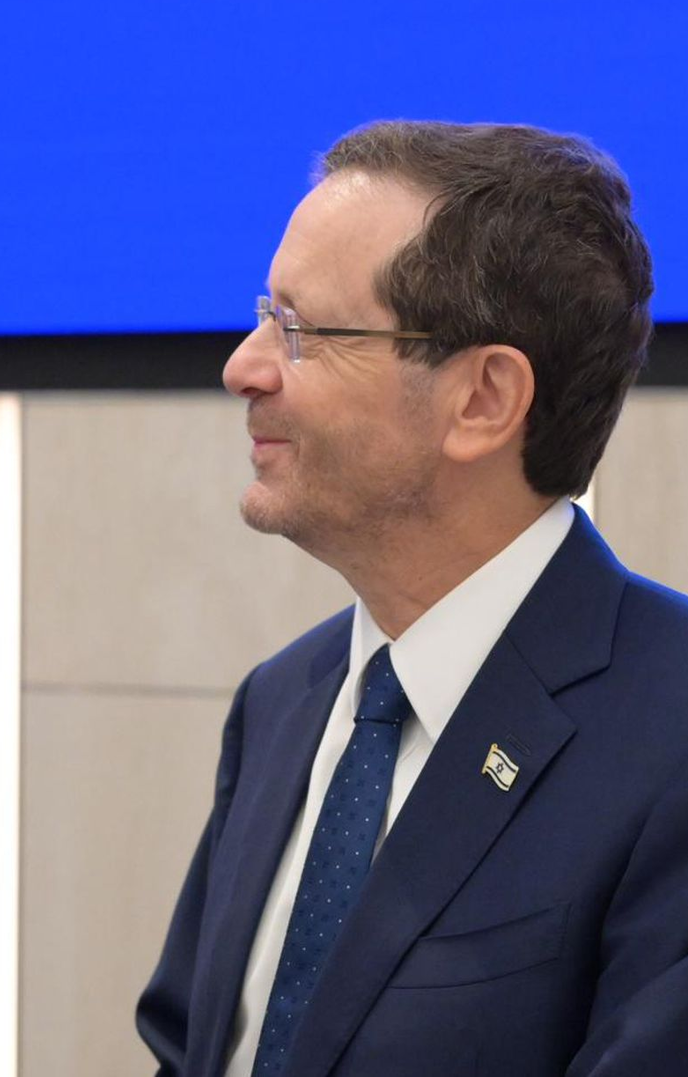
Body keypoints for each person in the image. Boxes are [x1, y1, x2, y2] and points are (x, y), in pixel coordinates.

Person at [137, 121, 688, 1076]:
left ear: (482, 399)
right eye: (265, 315)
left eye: (300, 330)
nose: (244, 366)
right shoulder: (284, 700)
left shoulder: (670, 729)